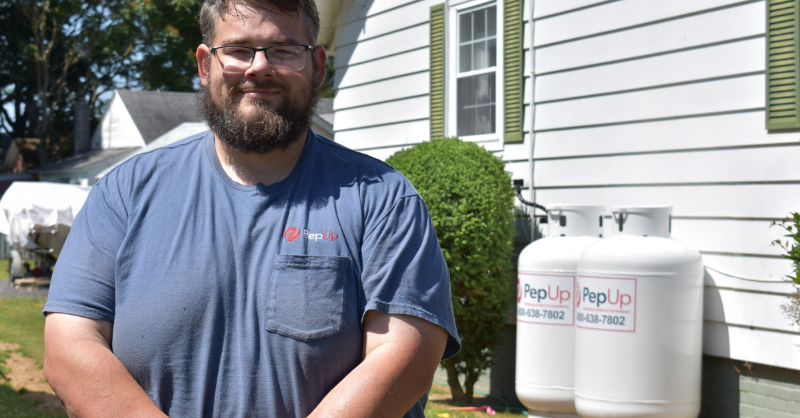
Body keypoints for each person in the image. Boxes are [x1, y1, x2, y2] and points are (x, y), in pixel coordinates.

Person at [41, 0, 460, 416]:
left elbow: (406, 357)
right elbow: (69, 346)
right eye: (238, 50)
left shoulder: (383, 199)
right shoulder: (125, 193)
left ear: (317, 67)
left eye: (282, 50)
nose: (259, 67)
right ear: (205, 66)